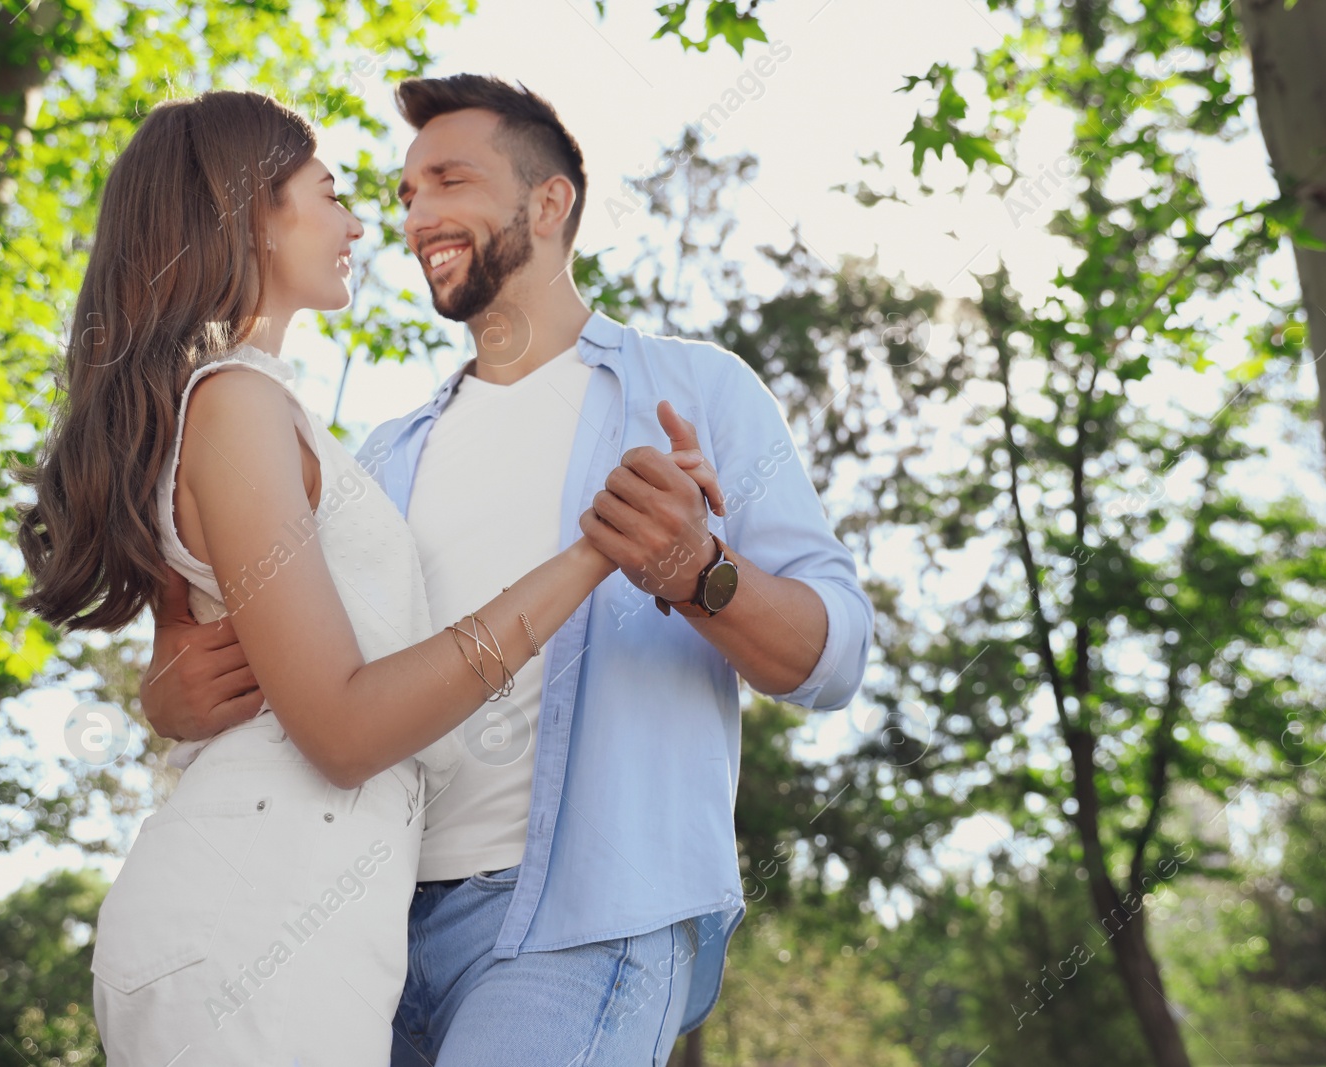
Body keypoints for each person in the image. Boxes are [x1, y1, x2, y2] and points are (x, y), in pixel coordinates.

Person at [142, 75, 875, 1066]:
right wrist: (169, 693)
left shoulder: (692, 389)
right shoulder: (377, 458)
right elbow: (312, 672)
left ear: (549, 200)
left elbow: (831, 657)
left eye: (448, 180)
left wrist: (701, 569)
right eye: (402, 195)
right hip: (359, 925)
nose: (414, 217)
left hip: (581, 920)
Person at [15, 90, 719, 1066]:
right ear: (249, 211)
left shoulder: (240, 411)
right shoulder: (236, 400)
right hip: (257, 918)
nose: (359, 223)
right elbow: (344, 728)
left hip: (281, 912)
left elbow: (213, 650)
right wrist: (599, 549)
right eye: (331, 192)